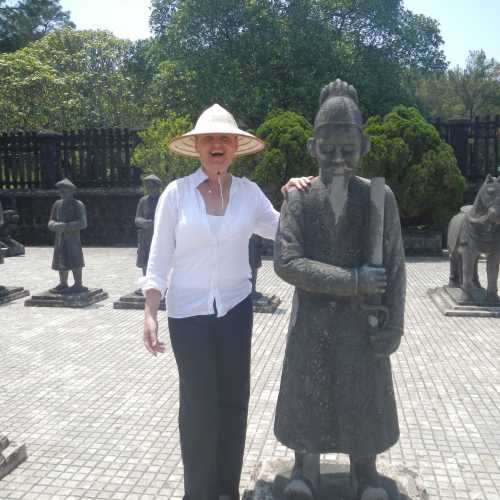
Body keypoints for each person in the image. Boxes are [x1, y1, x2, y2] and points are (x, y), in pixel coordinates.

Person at [141, 103, 311, 500]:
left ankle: (226, 491)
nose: (217, 144)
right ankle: (198, 492)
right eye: (209, 139)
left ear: (235, 147)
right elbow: (158, 256)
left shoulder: (249, 194)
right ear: (198, 147)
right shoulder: (176, 194)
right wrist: (150, 312)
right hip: (188, 315)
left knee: (234, 401)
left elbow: (285, 229)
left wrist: (297, 195)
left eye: (224, 139)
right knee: (200, 404)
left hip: (235, 310)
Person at [273, 80, 406, 500]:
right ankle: (305, 468)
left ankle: (365, 470)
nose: (338, 159)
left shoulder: (379, 198)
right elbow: (286, 262)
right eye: (328, 150)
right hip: (311, 324)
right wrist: (351, 281)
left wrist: (395, 325)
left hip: (361, 325)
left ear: (363, 145)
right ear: (314, 147)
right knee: (308, 396)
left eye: (348, 149)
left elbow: (397, 267)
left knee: (362, 397)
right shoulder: (298, 198)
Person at [48, 178, 88, 294]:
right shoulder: (57, 204)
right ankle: (63, 283)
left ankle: (78, 283)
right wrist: (54, 225)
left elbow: (83, 223)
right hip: (60, 238)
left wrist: (66, 226)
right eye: (60, 191)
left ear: (71, 191)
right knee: (61, 259)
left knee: (75, 259)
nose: (61, 193)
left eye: (64, 191)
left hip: (73, 238)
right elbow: (50, 221)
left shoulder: (78, 205)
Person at [135, 174, 162, 277]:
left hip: (159, 235)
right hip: (146, 236)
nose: (150, 189)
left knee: (158, 260)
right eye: (148, 187)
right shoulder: (143, 201)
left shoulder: (163, 200)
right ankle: (146, 282)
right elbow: (137, 218)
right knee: (145, 261)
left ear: (158, 187)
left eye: (152, 187)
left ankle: (159, 283)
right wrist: (144, 223)